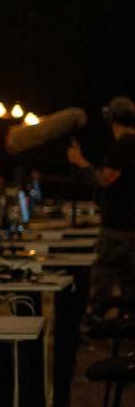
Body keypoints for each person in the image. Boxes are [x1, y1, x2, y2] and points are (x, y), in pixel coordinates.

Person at [68, 96, 135, 317]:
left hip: (118, 229)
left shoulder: (123, 146)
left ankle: (95, 324)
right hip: (129, 227)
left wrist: (80, 162)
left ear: (110, 119)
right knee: (129, 284)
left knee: (102, 279)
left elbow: (105, 179)